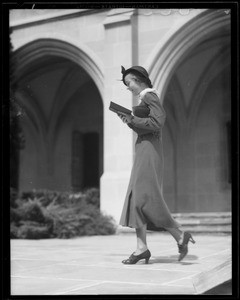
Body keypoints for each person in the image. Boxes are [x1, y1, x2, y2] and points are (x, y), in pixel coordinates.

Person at [117, 65, 195, 265]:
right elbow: (146, 127)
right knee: (137, 198)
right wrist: (129, 121)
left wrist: (132, 119)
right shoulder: (145, 99)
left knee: (145, 197)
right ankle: (142, 248)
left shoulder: (150, 96)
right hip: (144, 149)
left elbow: (157, 123)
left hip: (150, 152)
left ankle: (179, 235)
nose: (129, 88)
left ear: (139, 80)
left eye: (129, 83)